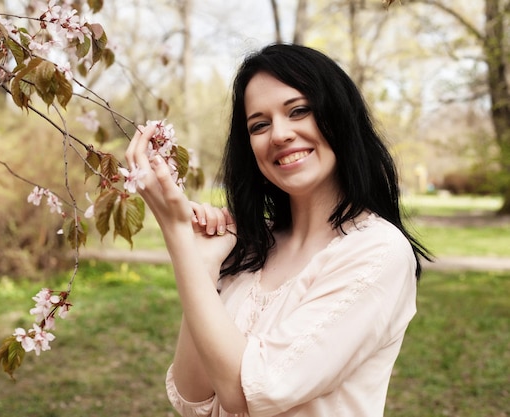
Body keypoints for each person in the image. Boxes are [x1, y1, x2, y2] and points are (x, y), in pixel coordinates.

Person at [125, 43, 431, 417]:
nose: (279, 135)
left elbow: (248, 392)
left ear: (338, 115)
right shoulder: (251, 248)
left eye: (298, 110)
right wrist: (203, 266)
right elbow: (193, 399)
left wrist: (176, 236)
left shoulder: (377, 252)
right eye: (259, 125)